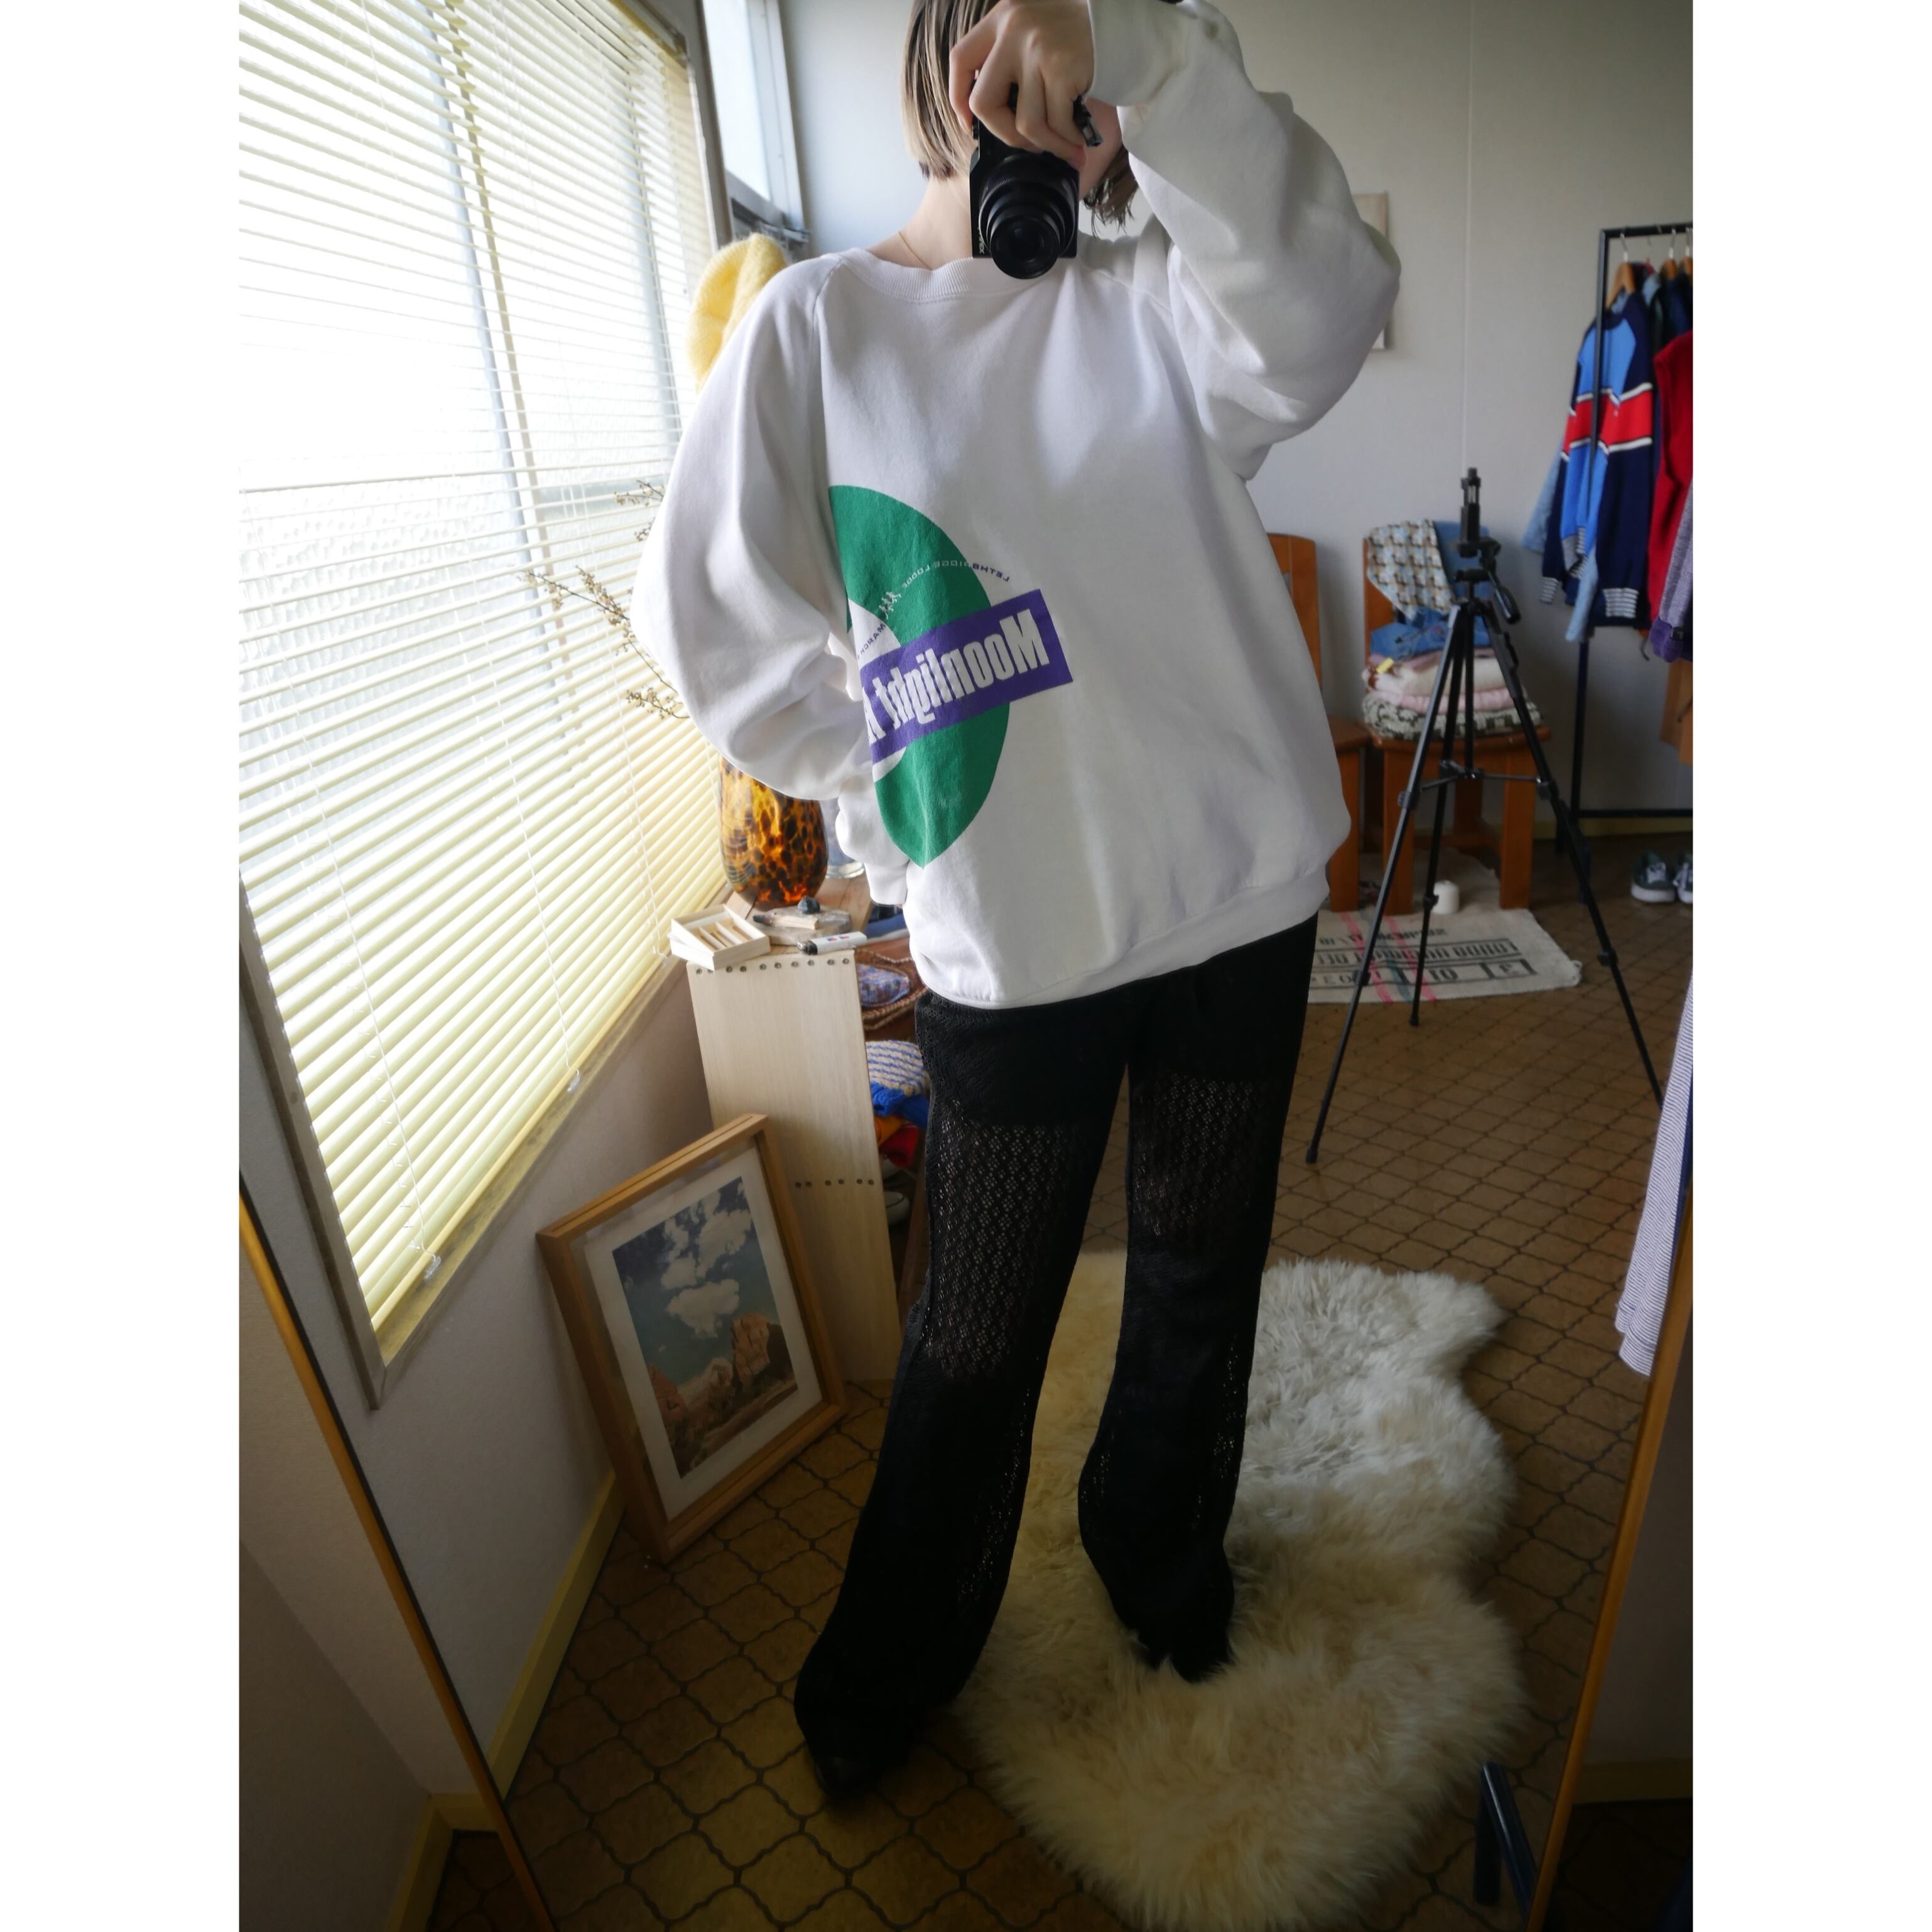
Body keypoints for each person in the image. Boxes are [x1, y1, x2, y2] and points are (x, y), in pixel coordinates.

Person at [638, 0, 1398, 1798]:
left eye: (1083, 90)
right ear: (946, 70)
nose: (1056, 122)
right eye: (1021, 77)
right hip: (1015, 937)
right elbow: (713, 629)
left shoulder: (1157, 299)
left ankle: (1162, 1557)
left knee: (1200, 1284)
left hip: (1234, 899)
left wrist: (1146, 46)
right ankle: (893, 1663)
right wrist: (896, 798)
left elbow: (1329, 302)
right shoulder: (820, 327)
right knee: (974, 1341)